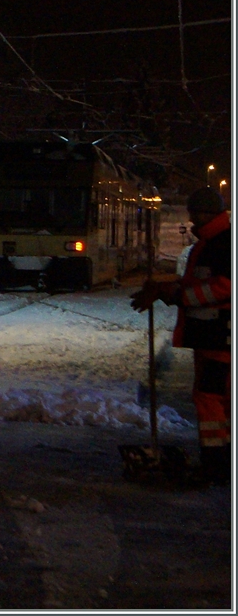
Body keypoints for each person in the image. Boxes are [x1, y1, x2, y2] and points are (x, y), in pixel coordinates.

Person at [131, 187, 231, 484]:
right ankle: (221, 460)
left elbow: (224, 286)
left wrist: (177, 294)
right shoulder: (211, 242)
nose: (191, 220)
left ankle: (216, 463)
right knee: (218, 398)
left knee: (210, 398)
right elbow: (197, 282)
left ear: (204, 213)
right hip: (211, 337)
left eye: (193, 214)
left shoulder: (222, 243)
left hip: (219, 337)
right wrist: (166, 288)